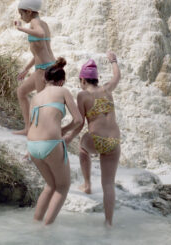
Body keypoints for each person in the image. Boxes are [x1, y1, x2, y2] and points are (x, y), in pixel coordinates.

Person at [27, 58, 83, 225]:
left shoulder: (35, 97)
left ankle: (35, 224)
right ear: (62, 81)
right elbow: (79, 120)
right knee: (63, 187)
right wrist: (64, 132)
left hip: (32, 145)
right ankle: (46, 229)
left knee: (50, 185)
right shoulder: (63, 91)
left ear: (44, 79)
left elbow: (32, 124)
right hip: (50, 144)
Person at [77, 52, 121, 226]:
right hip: (114, 142)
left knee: (82, 146)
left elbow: (80, 122)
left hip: (96, 140)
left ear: (82, 80)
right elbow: (117, 76)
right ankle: (108, 222)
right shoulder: (107, 89)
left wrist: (67, 135)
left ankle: (87, 184)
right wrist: (113, 61)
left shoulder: (83, 96)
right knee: (108, 184)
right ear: (96, 79)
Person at [13, 0, 56, 134]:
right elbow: (40, 51)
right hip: (47, 65)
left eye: (22, 13)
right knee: (21, 92)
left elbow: (40, 33)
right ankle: (28, 128)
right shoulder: (43, 23)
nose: (21, 17)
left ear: (29, 12)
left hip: (43, 70)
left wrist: (21, 29)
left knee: (42, 104)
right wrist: (26, 69)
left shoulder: (35, 24)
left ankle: (42, 135)